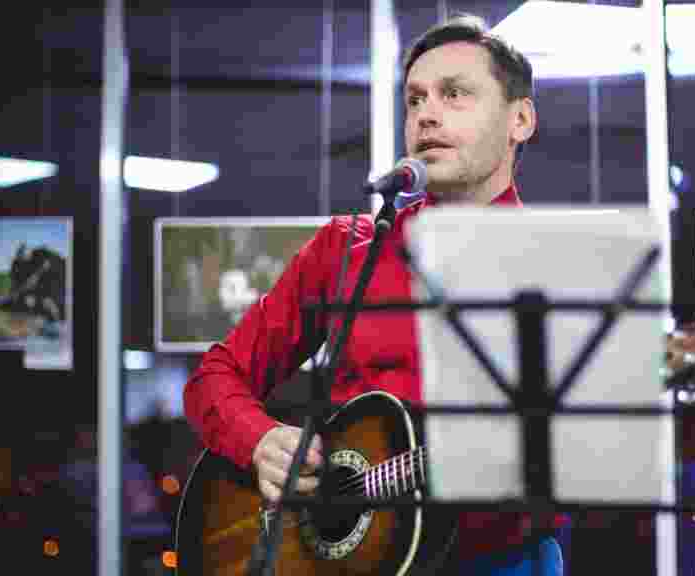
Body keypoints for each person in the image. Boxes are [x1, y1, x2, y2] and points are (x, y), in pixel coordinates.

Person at [184, 13, 569, 575]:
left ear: (520, 119)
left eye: (454, 94)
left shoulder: (565, 268)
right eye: (414, 100)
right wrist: (259, 439)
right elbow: (215, 376)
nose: (426, 114)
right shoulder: (345, 250)